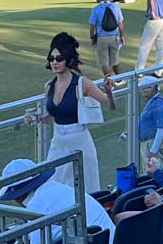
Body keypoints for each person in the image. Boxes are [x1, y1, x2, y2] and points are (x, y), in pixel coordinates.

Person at [32, 32, 116, 192]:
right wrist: (40, 118)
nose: (54, 63)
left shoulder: (82, 83)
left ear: (68, 60)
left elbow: (110, 105)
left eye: (59, 59)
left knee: (85, 190)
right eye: (51, 59)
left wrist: (109, 91)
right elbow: (56, 116)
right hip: (58, 142)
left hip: (80, 143)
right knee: (53, 186)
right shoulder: (49, 86)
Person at [135, 74, 163, 158]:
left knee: (153, 170)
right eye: (142, 88)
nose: (143, 91)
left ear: (153, 88)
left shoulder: (158, 104)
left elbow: (161, 130)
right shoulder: (153, 102)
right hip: (148, 143)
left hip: (152, 144)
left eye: (146, 88)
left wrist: (153, 150)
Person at [88, 0, 126, 76]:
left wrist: (92, 37)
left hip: (102, 38)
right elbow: (120, 23)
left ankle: (109, 82)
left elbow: (92, 25)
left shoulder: (96, 9)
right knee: (115, 60)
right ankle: (119, 79)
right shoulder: (116, 7)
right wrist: (122, 36)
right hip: (114, 37)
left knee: (104, 62)